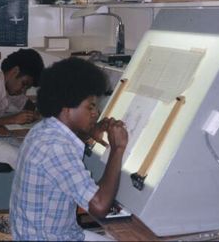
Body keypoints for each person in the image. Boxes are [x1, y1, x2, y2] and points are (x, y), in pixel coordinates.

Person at [9, 57, 129, 241]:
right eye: (90, 107)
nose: (95, 113)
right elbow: (100, 206)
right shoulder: (56, 148)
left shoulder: (43, 130)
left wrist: (92, 132)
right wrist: (117, 148)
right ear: (66, 108)